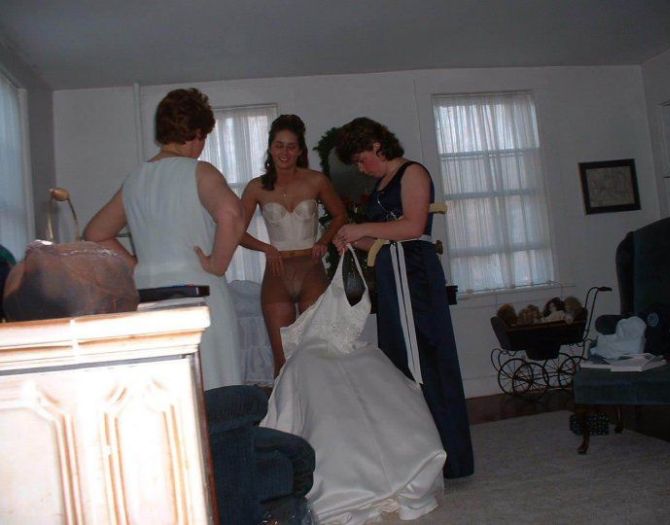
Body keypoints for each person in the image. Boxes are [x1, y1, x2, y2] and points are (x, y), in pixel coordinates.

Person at [332, 117, 474, 479]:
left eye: (362, 159)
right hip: (393, 274)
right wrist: (352, 239)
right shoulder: (382, 184)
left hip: (414, 276)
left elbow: (413, 226)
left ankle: (448, 457)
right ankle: (419, 455)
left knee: (424, 359)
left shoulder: (413, 173)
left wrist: (362, 227)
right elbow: (382, 241)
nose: (361, 168)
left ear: (377, 145)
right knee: (401, 361)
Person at [260, 247, 446, 524]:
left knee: (345, 378)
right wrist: (264, 248)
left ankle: (361, 477)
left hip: (320, 291)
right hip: (281, 272)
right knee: (304, 375)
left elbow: (353, 301)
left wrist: (337, 241)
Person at [84, 88, 245, 390]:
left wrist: (137, 266)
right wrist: (217, 264)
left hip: (147, 296)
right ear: (197, 134)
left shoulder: (135, 180)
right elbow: (232, 214)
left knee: (167, 392)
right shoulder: (199, 172)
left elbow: (96, 233)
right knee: (214, 389)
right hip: (199, 294)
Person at [240, 114, 346, 376]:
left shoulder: (316, 180)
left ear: (300, 150)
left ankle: (320, 402)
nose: (284, 152)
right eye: (279, 145)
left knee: (318, 352)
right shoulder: (256, 187)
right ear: (270, 148)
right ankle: (285, 404)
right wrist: (266, 248)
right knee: (283, 359)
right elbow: (236, 232)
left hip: (311, 267)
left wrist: (323, 241)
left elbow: (340, 215)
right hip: (277, 271)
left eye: (291, 146)